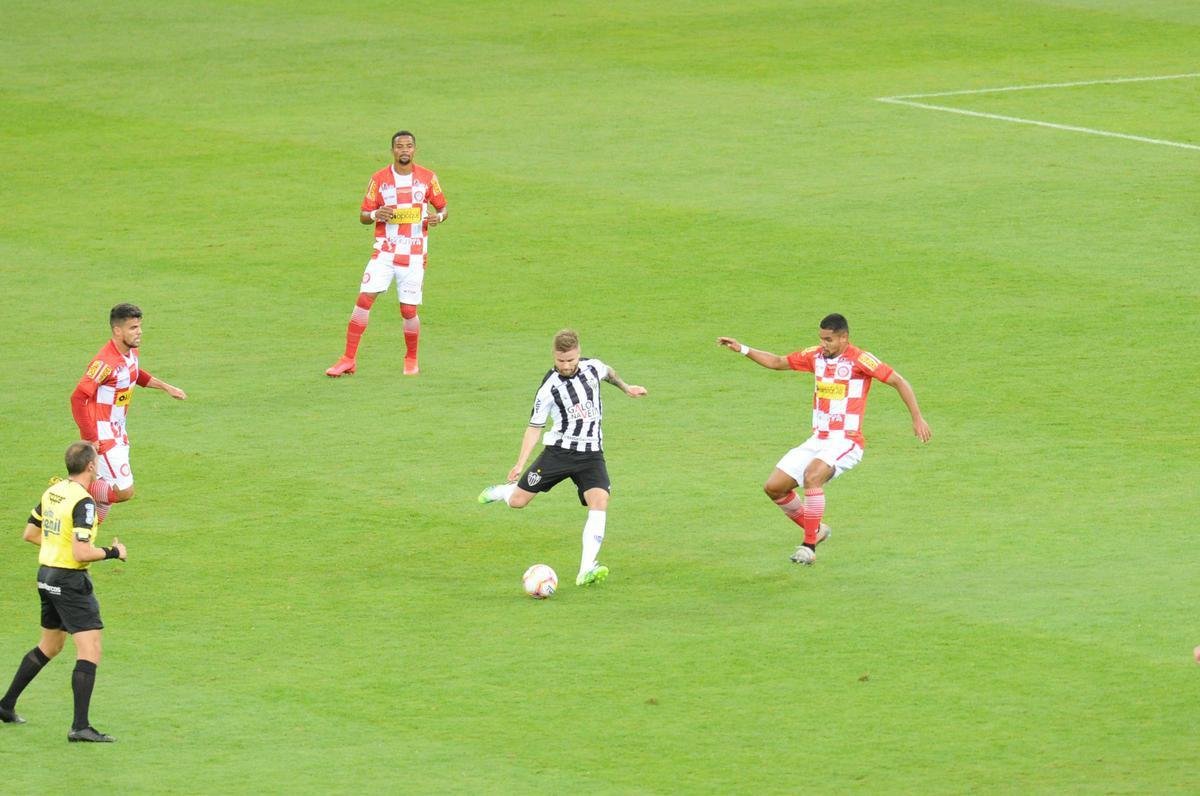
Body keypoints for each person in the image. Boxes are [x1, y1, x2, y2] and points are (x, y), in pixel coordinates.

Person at [717, 313, 931, 565]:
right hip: (818, 439)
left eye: (829, 340)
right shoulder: (816, 357)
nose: (823, 345)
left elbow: (898, 381)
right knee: (774, 487)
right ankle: (818, 529)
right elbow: (777, 362)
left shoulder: (860, 360)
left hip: (846, 441)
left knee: (812, 476)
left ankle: (809, 546)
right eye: (821, 339)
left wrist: (917, 417)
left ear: (844, 337)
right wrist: (742, 348)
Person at [478, 329, 647, 585]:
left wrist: (626, 388)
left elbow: (609, 373)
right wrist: (520, 463)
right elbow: (535, 427)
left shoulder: (593, 367)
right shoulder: (549, 388)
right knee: (518, 502)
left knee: (600, 501)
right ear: (554, 357)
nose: (566, 366)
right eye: (561, 361)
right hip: (558, 453)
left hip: (591, 455)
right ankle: (504, 491)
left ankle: (586, 569)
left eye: (570, 360)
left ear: (578, 353)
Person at [0, 442, 127, 742]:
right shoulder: (83, 502)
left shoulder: (53, 491)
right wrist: (113, 551)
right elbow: (82, 552)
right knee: (90, 648)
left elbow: (30, 533)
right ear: (91, 466)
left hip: (46, 576)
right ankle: (80, 726)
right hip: (70, 582)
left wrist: (59, 550)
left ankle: (5, 706)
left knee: (50, 645)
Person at [326, 130, 449, 377]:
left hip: (414, 254)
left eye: (409, 146)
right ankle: (348, 359)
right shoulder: (379, 179)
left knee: (408, 310)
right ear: (392, 150)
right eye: (399, 146)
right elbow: (363, 215)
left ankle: (411, 358)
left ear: (415, 149)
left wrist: (439, 218)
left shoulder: (427, 178)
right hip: (384, 252)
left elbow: (443, 208)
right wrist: (374, 215)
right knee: (363, 299)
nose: (404, 150)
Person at [70, 303, 187, 525]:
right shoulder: (104, 363)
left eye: (139, 326)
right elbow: (78, 398)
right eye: (133, 327)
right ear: (117, 331)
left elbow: (135, 374)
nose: (139, 331)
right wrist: (91, 437)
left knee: (106, 496)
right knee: (123, 491)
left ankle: (84, 537)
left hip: (119, 431)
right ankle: (73, 486)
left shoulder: (131, 352)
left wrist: (167, 387)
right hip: (103, 435)